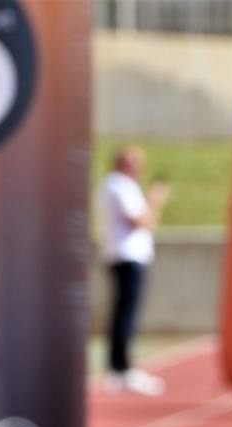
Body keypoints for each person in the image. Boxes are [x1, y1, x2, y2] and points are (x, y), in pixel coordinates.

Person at [97, 145, 169, 396]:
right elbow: (142, 222)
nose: (140, 168)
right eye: (136, 162)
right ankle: (122, 368)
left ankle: (119, 367)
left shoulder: (115, 185)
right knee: (125, 314)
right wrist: (156, 200)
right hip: (127, 257)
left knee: (123, 312)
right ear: (123, 163)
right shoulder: (119, 184)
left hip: (124, 256)